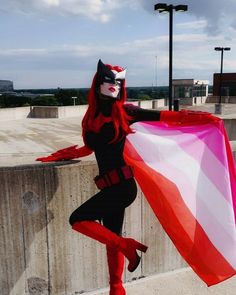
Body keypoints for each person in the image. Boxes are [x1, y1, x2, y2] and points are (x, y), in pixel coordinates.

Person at [37, 60, 214, 294]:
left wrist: (204, 119)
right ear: (98, 82)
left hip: (123, 188)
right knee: (111, 239)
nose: (113, 85)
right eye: (109, 80)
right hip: (108, 189)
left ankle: (127, 247)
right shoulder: (90, 118)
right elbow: (90, 148)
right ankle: (116, 288)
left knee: (78, 219)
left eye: (118, 81)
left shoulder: (126, 113)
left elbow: (165, 116)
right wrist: (62, 155)